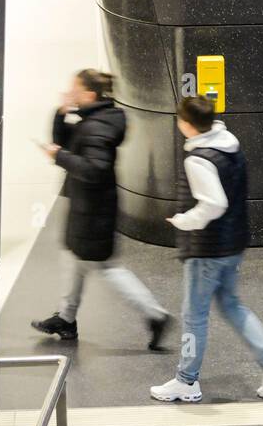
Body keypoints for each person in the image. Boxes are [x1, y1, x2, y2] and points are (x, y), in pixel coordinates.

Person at [150, 95, 263, 403]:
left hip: (207, 249)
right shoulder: (230, 144)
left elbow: (214, 203)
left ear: (186, 124)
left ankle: (186, 381)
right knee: (231, 305)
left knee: (193, 316)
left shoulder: (198, 159)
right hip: (232, 243)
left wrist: (184, 221)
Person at [31, 69, 170, 349]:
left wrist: (58, 156)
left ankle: (156, 315)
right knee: (74, 260)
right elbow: (68, 142)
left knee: (104, 267)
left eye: (75, 89)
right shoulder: (96, 120)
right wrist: (61, 113)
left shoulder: (96, 127)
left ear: (90, 94)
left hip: (93, 212)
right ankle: (67, 319)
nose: (71, 93)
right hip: (87, 206)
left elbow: (94, 169)